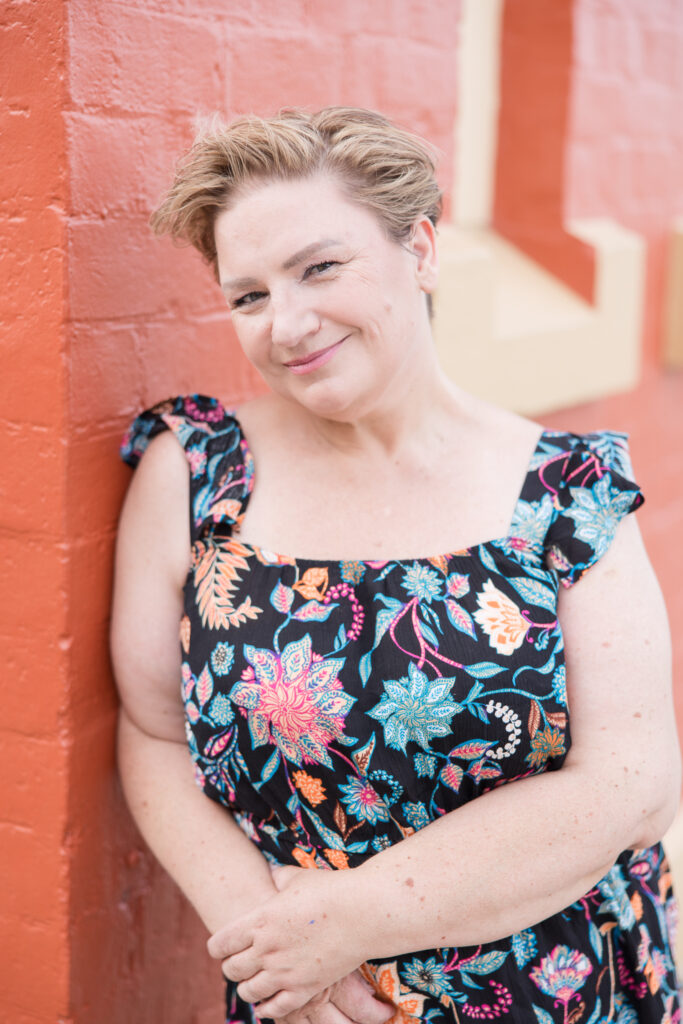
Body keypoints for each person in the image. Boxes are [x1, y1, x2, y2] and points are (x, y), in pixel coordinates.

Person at [111, 106, 681, 1024]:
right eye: (249, 294)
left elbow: (631, 783)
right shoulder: (198, 472)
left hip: (566, 987)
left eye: (319, 268)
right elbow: (155, 735)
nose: (286, 324)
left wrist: (345, 925)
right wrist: (282, 963)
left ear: (418, 248)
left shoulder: (567, 494)